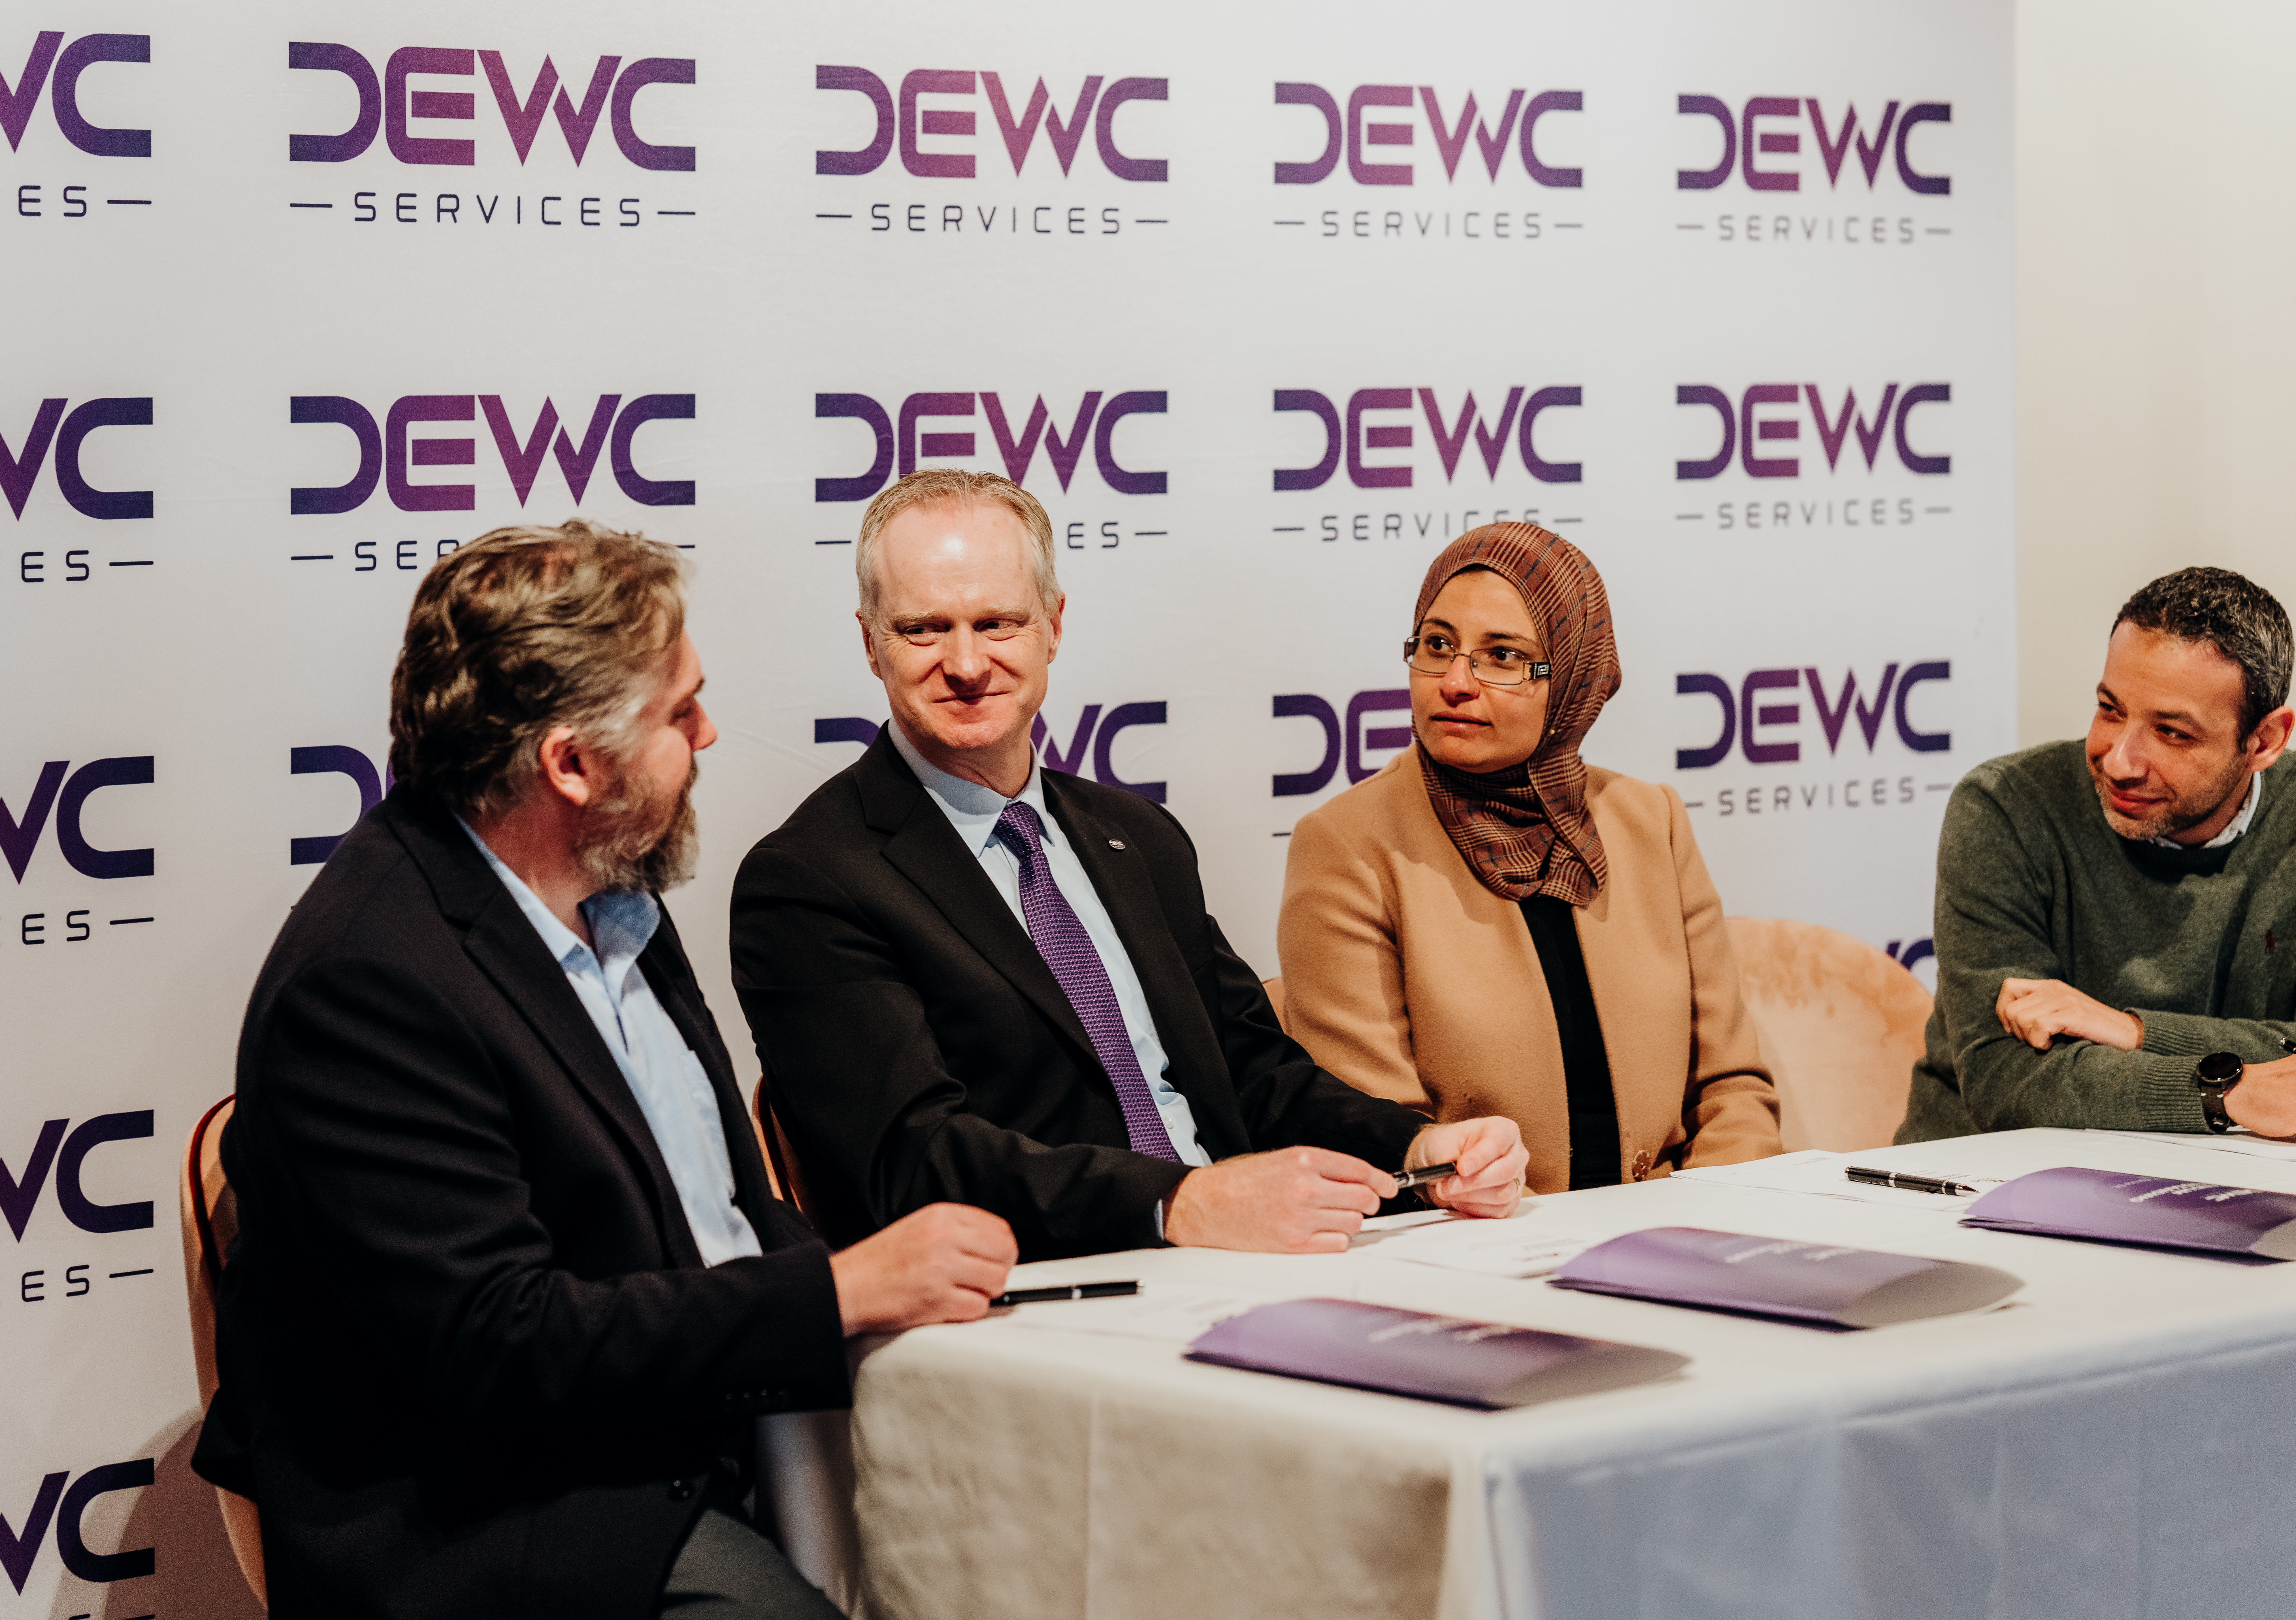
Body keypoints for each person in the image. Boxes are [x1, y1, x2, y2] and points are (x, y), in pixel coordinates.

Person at [198, 521, 1017, 1620]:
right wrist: (838, 1291)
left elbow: (717, 1216)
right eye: (680, 713)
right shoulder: (365, 986)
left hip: (710, 1425)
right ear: (573, 765)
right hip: (506, 1518)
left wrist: (859, 1295)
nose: (710, 732)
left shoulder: (609, 888)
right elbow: (501, 1347)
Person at [731, 471, 1528, 1260]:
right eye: (924, 629)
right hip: (1036, 1305)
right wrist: (1179, 1200)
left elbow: (1255, 1075)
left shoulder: (1138, 837)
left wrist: (1423, 1149)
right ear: (871, 642)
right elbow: (912, 1161)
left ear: (1053, 624)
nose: (968, 663)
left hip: (1240, 1263)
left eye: (999, 622)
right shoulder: (811, 881)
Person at [1276, 523, 1783, 1191]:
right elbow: (1374, 1129)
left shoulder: (1648, 821)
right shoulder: (1348, 846)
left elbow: (1731, 1088)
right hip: (1477, 1241)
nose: (1456, 682)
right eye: (1437, 646)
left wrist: (1711, 1220)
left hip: (1678, 1228)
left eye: (1504, 657)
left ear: (1573, 675)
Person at [1899, 566, 2296, 1144]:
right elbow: (2006, 1081)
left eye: (2172, 733)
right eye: (2110, 708)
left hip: (2231, 1186)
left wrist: (2132, 1031)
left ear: (2265, 741)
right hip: (1981, 1187)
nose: (2120, 760)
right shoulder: (2005, 809)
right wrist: (2228, 1092)